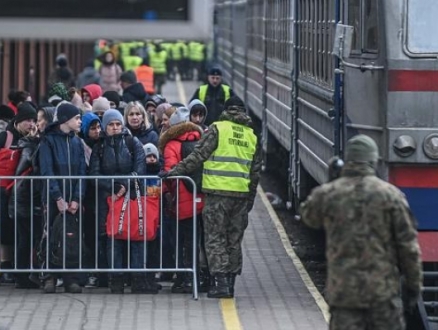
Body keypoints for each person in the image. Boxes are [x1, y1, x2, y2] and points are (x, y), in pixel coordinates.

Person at [300, 134, 422, 330]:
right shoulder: (391, 196)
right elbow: (408, 247)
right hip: (382, 297)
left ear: (347, 160)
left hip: (344, 298)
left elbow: (308, 217)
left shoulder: (329, 193)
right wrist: (413, 286)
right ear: (373, 160)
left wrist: (332, 180)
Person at [160, 96, 262, 298]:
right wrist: (250, 199)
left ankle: (221, 284)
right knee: (233, 240)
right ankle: (231, 283)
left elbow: (197, 156)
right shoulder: (251, 135)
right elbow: (255, 172)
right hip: (240, 195)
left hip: (216, 194)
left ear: (226, 110)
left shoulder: (217, 129)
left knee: (214, 239)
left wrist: (174, 171)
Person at [88, 110, 157, 294]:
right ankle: (116, 280)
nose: (115, 127)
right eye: (111, 124)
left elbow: (140, 170)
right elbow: (93, 175)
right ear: (105, 126)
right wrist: (114, 186)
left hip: (133, 198)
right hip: (110, 200)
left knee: (137, 237)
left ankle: (138, 280)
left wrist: (123, 185)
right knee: (113, 238)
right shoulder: (99, 147)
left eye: (118, 124)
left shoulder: (132, 143)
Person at [39, 103, 86, 294]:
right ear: (66, 120)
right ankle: (49, 276)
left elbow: (82, 172)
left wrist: (76, 198)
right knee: (50, 234)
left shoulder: (76, 142)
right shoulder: (48, 141)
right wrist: (57, 197)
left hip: (71, 200)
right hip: (52, 199)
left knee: (71, 238)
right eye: (77, 118)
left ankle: (70, 277)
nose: (80, 121)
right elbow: (47, 170)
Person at [158, 107, 204, 293]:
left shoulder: (171, 145)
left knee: (181, 241)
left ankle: (184, 278)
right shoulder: (200, 140)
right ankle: (197, 278)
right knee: (196, 240)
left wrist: (168, 194)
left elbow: (170, 173)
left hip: (181, 201)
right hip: (200, 198)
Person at [0, 102, 38, 284]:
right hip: (3, 190)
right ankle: (6, 266)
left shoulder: (34, 139)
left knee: (21, 232)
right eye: (27, 120)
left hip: (22, 191)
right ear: (18, 120)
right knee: (5, 229)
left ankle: (17, 268)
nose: (31, 124)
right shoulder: (5, 137)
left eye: (34, 120)